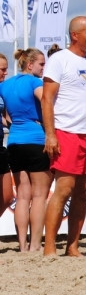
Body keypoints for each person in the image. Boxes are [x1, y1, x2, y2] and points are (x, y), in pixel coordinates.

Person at [42, 16, 86, 257]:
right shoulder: (59, 59)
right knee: (64, 188)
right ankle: (49, 247)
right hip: (67, 131)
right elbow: (47, 98)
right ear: (75, 35)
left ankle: (73, 246)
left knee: (84, 191)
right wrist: (50, 134)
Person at [0, 49, 51, 251]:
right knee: (39, 195)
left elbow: (6, 117)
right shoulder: (35, 83)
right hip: (36, 139)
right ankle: (35, 244)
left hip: (14, 141)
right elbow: (46, 101)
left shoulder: (6, 85)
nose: (43, 68)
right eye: (41, 64)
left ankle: (22, 245)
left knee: (22, 195)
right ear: (29, 64)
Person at [0, 54, 15, 239]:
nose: (6, 72)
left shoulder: (3, 90)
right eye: (2, 69)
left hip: (0, 145)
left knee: (7, 196)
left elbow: (7, 117)